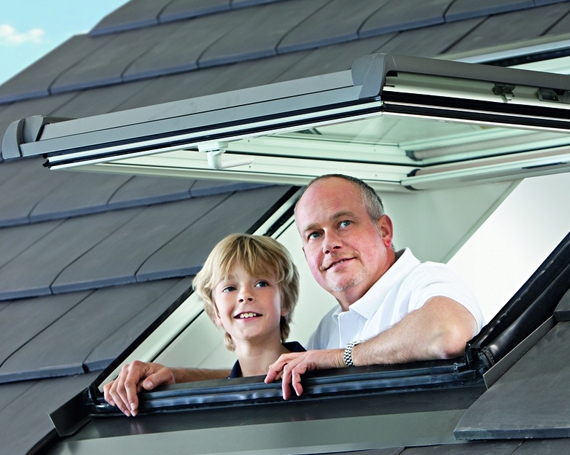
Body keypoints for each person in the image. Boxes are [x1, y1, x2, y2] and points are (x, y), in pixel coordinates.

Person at [263, 174, 484, 399]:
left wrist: (341, 357)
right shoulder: (326, 330)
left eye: (344, 223)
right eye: (314, 235)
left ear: (384, 231)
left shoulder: (425, 279)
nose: (329, 244)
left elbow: (447, 333)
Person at [103, 233, 302, 416]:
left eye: (261, 284)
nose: (245, 295)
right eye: (229, 288)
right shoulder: (212, 405)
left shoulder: (315, 373)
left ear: (285, 301)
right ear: (216, 313)